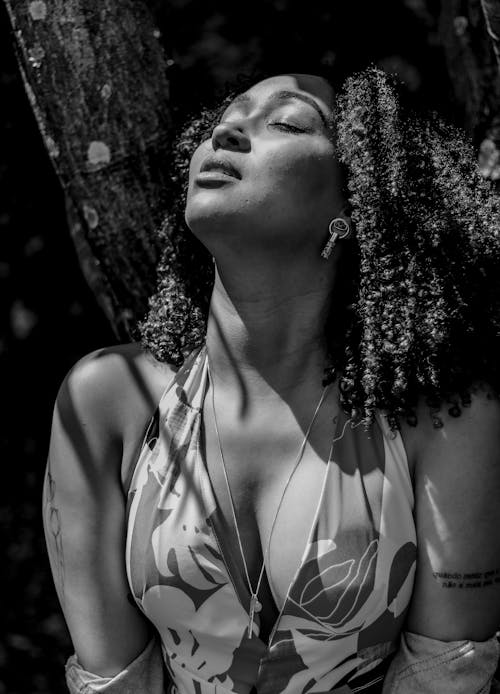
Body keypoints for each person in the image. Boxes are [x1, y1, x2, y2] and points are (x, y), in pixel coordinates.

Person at [43, 69, 500, 694]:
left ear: (354, 204)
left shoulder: (443, 417)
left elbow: (446, 677)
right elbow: (111, 679)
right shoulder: (108, 401)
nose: (227, 131)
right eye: (224, 120)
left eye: (285, 123)